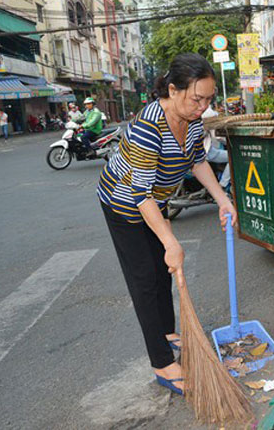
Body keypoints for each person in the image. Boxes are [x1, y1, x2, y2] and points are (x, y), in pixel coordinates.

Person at [97, 53, 236, 395]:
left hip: (154, 202)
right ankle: (161, 361)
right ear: (173, 90)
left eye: (207, 99)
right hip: (124, 203)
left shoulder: (190, 122)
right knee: (145, 278)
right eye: (196, 98)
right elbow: (140, 195)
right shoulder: (148, 126)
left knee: (162, 273)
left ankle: (167, 331)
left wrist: (223, 199)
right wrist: (171, 241)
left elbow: (198, 162)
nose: (202, 107)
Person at [201, 105, 231, 190]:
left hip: (209, 151)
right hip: (208, 153)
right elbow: (219, 137)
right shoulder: (208, 120)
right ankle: (223, 184)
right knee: (233, 157)